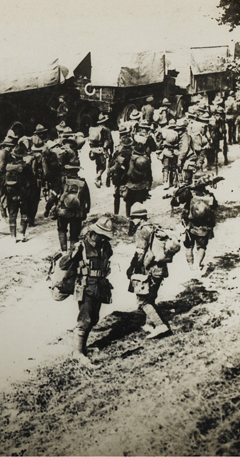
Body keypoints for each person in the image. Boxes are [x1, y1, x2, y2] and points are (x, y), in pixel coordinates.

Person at [59, 216, 114, 368]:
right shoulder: (81, 246)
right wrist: (71, 254)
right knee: (85, 319)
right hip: (86, 286)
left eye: (105, 236)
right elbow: (63, 265)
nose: (103, 239)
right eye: (101, 235)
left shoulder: (105, 246)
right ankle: (77, 353)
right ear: (93, 233)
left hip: (100, 285)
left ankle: (82, 347)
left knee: (94, 318)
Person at [126, 204, 179, 339]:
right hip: (160, 268)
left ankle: (160, 326)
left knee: (142, 300)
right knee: (151, 296)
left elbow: (140, 252)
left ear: (138, 218)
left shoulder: (142, 231)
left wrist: (132, 267)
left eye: (133, 218)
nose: (132, 221)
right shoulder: (154, 227)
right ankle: (148, 324)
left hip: (150, 269)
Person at [171, 173, 219, 271]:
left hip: (190, 224)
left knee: (189, 246)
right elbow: (215, 206)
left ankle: (190, 266)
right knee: (202, 246)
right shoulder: (209, 195)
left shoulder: (189, 193)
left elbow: (175, 202)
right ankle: (197, 264)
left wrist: (175, 195)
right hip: (205, 226)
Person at [53, 157, 90, 251]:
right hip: (77, 212)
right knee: (74, 235)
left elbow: (54, 195)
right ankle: (72, 252)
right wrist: (86, 211)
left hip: (63, 210)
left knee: (62, 230)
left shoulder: (62, 180)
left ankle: (64, 251)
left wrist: (51, 207)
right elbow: (87, 199)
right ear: (77, 170)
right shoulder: (83, 182)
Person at [4, 142, 35, 243]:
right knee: (24, 214)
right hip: (23, 193)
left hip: (11, 194)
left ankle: (13, 236)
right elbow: (31, 182)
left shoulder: (8, 166)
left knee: (12, 214)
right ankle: (22, 234)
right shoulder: (26, 167)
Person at [108, 125, 134, 215]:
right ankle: (128, 215)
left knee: (117, 195)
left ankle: (116, 214)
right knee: (128, 198)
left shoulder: (120, 152)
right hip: (130, 176)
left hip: (120, 176)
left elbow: (114, 164)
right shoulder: (132, 151)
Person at [87, 113, 114, 188]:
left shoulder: (95, 129)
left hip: (94, 150)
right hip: (102, 150)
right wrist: (111, 151)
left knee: (98, 164)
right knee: (103, 167)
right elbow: (110, 141)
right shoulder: (107, 130)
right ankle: (97, 177)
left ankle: (99, 180)